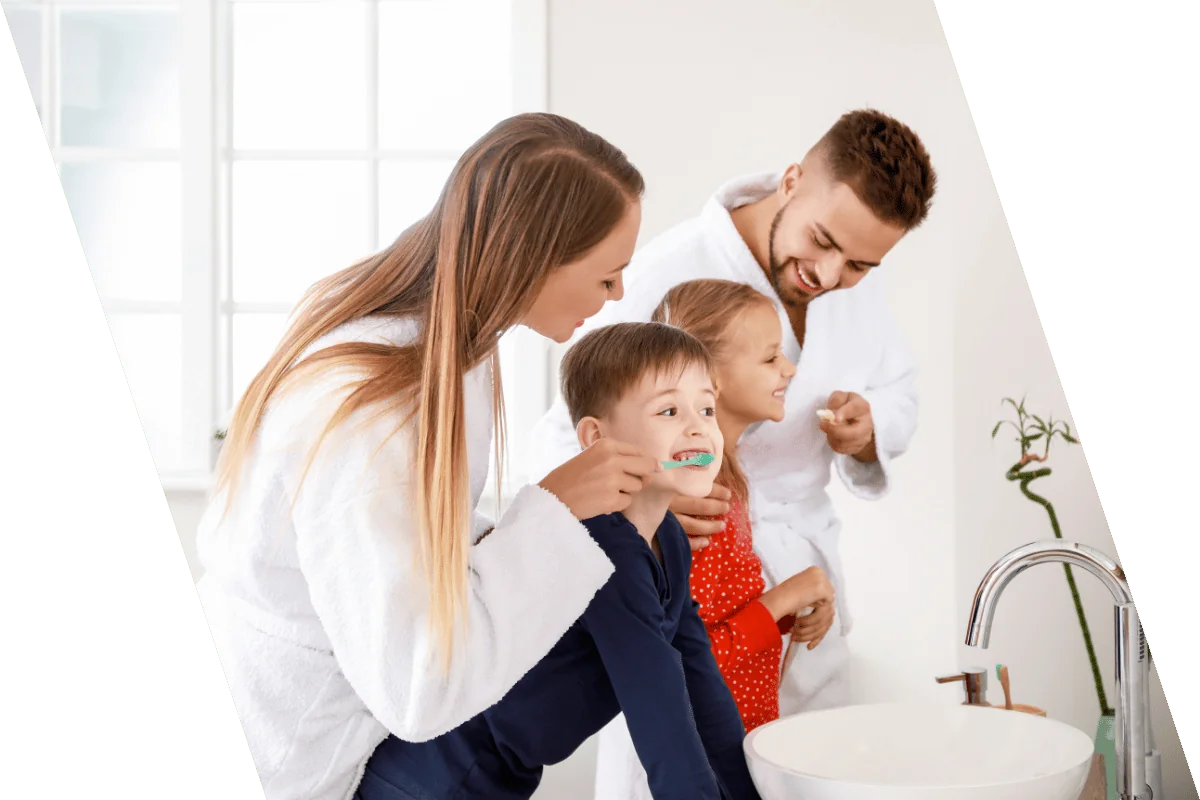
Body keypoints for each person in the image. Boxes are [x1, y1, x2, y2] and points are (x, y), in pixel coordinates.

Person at [192, 113, 666, 800]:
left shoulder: (454, 345)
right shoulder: (367, 414)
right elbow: (418, 683)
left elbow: (412, 543)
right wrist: (554, 511)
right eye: (608, 274)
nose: (620, 293)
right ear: (533, 258)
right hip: (301, 755)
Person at [528, 108, 938, 732]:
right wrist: (646, 509)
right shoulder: (667, 272)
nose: (831, 276)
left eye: (859, 265)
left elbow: (899, 389)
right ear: (793, 179)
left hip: (803, 582)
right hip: (693, 569)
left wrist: (869, 429)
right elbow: (571, 432)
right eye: (823, 242)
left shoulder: (855, 283)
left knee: (811, 765)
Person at [359, 322, 764, 800]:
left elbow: (700, 684)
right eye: (669, 410)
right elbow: (661, 716)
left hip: (491, 776)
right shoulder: (605, 547)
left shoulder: (669, 541)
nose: (697, 426)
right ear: (596, 437)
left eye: (707, 408)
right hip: (434, 780)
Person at [594, 279, 838, 800]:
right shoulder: (697, 503)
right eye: (771, 358)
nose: (789, 370)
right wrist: (787, 596)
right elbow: (690, 663)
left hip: (728, 747)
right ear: (712, 379)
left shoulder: (724, 480)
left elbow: (721, 615)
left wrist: (794, 609)